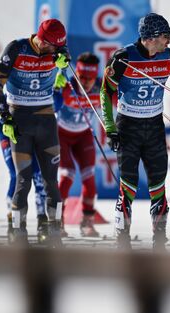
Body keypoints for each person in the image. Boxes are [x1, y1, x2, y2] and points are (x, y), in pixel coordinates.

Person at [101, 13, 170, 250]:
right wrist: (110, 129)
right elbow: (105, 92)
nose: (169, 40)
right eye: (165, 35)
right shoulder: (123, 57)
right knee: (128, 184)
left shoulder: (168, 56)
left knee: (158, 184)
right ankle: (122, 238)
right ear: (150, 38)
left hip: (154, 127)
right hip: (128, 126)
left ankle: (159, 240)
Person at [0, 18, 70, 247]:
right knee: (23, 180)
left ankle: (53, 230)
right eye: (52, 46)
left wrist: (65, 66)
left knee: (50, 181)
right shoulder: (16, 48)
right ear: (43, 40)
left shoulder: (57, 50)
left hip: (46, 120)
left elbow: (68, 73)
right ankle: (18, 231)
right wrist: (4, 116)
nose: (55, 50)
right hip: (19, 119)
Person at [0, 100, 48, 242]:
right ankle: (13, 222)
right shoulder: (8, 90)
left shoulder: (32, 87)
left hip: (30, 131)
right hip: (8, 131)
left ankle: (42, 221)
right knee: (17, 174)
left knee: (37, 174)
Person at [54, 52, 101, 237]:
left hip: (84, 136)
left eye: (90, 78)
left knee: (89, 179)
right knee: (67, 176)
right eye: (82, 77)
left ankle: (87, 222)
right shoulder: (68, 86)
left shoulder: (100, 88)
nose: (86, 82)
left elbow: (121, 100)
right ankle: (57, 222)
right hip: (61, 135)